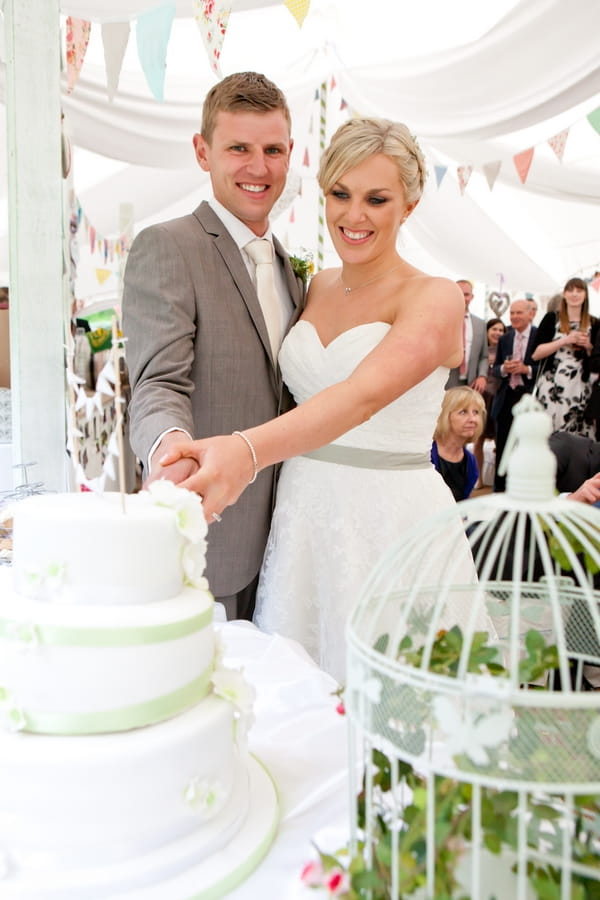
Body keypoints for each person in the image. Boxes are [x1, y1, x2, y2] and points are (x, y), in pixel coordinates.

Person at [159, 117, 486, 681]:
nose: (353, 216)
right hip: (302, 515)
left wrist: (244, 452)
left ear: (407, 205)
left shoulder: (434, 298)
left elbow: (359, 398)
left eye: (376, 199)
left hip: (390, 522)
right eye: (340, 194)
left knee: (396, 699)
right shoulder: (316, 286)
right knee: (299, 693)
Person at [122, 72, 306, 620]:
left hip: (290, 544)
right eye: (239, 149)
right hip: (212, 545)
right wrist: (171, 452)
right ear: (203, 153)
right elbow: (158, 382)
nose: (259, 167)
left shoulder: (294, 272)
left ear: (290, 152)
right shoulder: (168, 246)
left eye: (273, 149)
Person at [532, 277, 599, 437]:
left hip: (581, 386)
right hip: (552, 384)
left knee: (577, 435)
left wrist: (588, 346)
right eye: (570, 290)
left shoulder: (595, 323)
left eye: (579, 290)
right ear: (564, 294)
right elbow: (535, 354)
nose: (574, 294)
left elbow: (597, 360)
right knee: (548, 433)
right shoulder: (551, 319)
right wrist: (564, 340)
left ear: (585, 295)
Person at [491, 299, 538, 492]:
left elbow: (546, 368)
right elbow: (495, 369)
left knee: (527, 445)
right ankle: (500, 490)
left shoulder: (539, 337)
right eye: (512, 313)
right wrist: (504, 368)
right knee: (502, 446)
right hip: (506, 397)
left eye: (519, 313)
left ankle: (523, 488)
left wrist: (526, 369)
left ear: (530, 314)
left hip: (529, 397)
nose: (515, 317)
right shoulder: (505, 338)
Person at [431, 386, 486, 501]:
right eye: (463, 412)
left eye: (476, 412)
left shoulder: (470, 462)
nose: (472, 419)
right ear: (445, 416)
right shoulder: (426, 455)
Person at [473, 317, 506, 485]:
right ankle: (477, 478)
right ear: (487, 331)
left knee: (499, 440)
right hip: (482, 396)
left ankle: (497, 479)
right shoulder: (481, 350)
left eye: (501, 330)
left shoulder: (506, 350)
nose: (497, 333)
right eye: (494, 329)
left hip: (498, 397)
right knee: (478, 438)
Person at [445, 279, 488, 394]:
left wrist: (482, 376)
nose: (463, 298)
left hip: (470, 385)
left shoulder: (480, 324)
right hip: (445, 382)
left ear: (472, 297)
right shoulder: (443, 320)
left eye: (466, 294)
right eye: (459, 293)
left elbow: (484, 356)